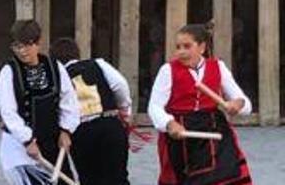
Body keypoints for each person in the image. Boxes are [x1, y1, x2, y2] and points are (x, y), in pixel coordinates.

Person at [149, 23, 253, 185]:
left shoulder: (218, 67)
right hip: (181, 133)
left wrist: (238, 104)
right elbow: (154, 106)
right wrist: (169, 124)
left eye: (187, 46)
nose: (181, 52)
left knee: (228, 174)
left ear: (202, 47)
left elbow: (242, 100)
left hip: (214, 128)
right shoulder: (167, 70)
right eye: (178, 47)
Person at [0, 20, 80, 185]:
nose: (22, 51)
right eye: (17, 46)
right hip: (21, 148)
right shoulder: (9, 71)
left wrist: (66, 130)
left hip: (53, 142)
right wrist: (27, 140)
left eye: (27, 45)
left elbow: (69, 101)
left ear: (38, 43)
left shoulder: (55, 67)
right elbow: (8, 111)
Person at [50, 37, 132, 185]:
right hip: (109, 123)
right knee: (118, 177)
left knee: (89, 178)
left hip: (81, 132)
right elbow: (120, 84)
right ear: (77, 54)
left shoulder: (57, 77)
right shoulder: (98, 64)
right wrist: (124, 108)